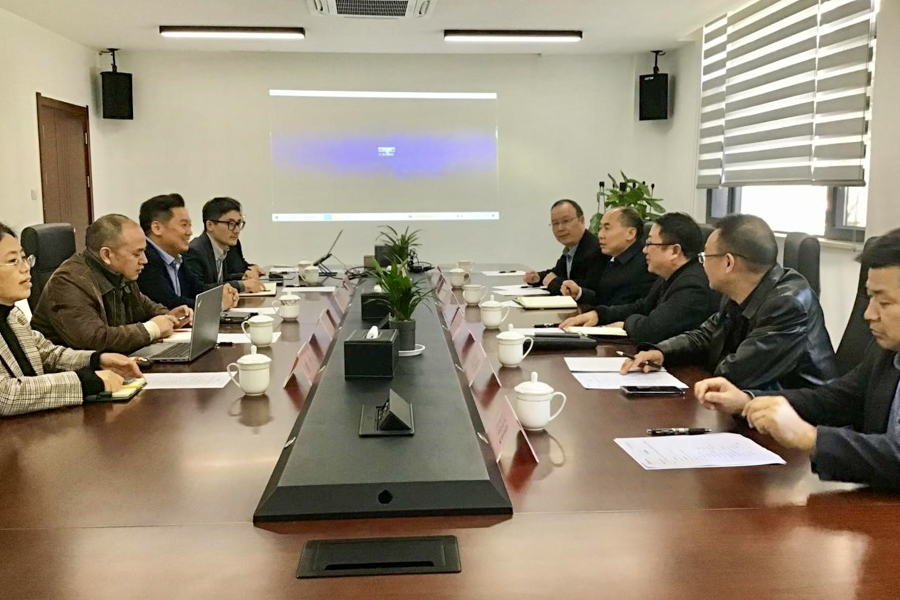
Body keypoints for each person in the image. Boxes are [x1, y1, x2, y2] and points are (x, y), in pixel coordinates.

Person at [694, 231, 900, 489]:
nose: (869, 314)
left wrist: (810, 438)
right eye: (870, 298)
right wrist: (748, 401)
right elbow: (837, 399)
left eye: (884, 302)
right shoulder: (886, 352)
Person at [622, 214, 837, 390]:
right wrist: (662, 352)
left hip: (802, 420)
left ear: (728, 263)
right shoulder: (740, 289)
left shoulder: (787, 304)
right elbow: (707, 334)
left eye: (705, 257)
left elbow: (738, 373)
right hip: (761, 406)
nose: (701, 265)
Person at [0, 222, 142, 416]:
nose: (26, 268)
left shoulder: (12, 315)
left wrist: (96, 360)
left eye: (24, 258)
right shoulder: (69, 279)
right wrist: (84, 382)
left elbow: (48, 354)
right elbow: (5, 395)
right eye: (13, 261)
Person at [32, 215, 189, 354]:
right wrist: (152, 329)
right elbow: (92, 340)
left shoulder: (121, 274)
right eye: (136, 254)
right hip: (75, 374)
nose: (144, 260)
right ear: (106, 255)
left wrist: (169, 316)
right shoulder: (68, 282)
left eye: (144, 252)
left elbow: (146, 308)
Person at [560, 212, 720, 344]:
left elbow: (652, 330)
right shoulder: (670, 275)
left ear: (674, 251)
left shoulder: (693, 285)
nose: (644, 250)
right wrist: (599, 314)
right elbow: (643, 307)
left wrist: (625, 324)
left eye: (650, 244)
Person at [137, 193, 239, 310]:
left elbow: (197, 289)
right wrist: (217, 303)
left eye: (190, 225)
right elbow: (169, 303)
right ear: (157, 228)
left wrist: (222, 293)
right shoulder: (144, 258)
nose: (190, 232)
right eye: (184, 225)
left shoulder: (176, 257)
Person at [560, 207, 657, 306]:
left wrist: (598, 313)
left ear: (630, 233)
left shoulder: (646, 265)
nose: (600, 235)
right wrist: (579, 293)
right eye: (600, 228)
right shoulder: (614, 260)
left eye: (607, 228)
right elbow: (605, 300)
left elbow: (638, 308)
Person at [523, 199, 607, 295]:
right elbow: (558, 272)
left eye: (566, 221)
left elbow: (590, 288)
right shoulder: (571, 249)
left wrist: (554, 283)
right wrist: (538, 277)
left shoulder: (596, 250)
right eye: (555, 223)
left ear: (581, 221)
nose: (560, 228)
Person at [184, 197, 264, 294]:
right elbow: (198, 290)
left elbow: (221, 279)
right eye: (231, 223)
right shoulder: (194, 251)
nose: (237, 230)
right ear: (210, 225)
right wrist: (241, 285)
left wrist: (242, 276)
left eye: (238, 223)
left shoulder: (222, 246)